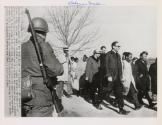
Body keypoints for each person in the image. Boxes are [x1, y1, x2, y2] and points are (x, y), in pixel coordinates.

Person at [21, 17, 64, 117]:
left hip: (24, 97)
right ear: (44, 33)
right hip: (41, 101)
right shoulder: (43, 46)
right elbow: (57, 70)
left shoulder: (22, 47)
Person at [105, 41, 130, 115]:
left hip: (118, 78)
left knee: (119, 93)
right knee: (105, 91)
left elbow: (120, 67)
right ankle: (98, 101)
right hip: (111, 78)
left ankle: (121, 109)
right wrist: (108, 75)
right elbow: (106, 66)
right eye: (118, 46)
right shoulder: (108, 54)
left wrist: (121, 76)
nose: (119, 47)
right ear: (113, 46)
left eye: (119, 46)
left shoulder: (118, 55)